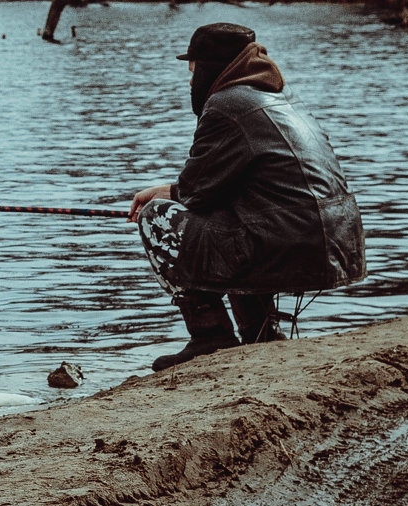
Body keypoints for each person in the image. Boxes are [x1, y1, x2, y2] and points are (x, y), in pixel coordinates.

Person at [128, 22, 365, 371]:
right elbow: (213, 188)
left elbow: (194, 193)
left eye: (193, 72)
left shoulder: (226, 104)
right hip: (335, 242)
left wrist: (161, 197)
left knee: (157, 217)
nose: (190, 83)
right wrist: (171, 189)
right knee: (232, 220)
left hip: (289, 240)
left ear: (212, 69)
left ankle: (210, 335)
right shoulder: (280, 98)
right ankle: (260, 331)